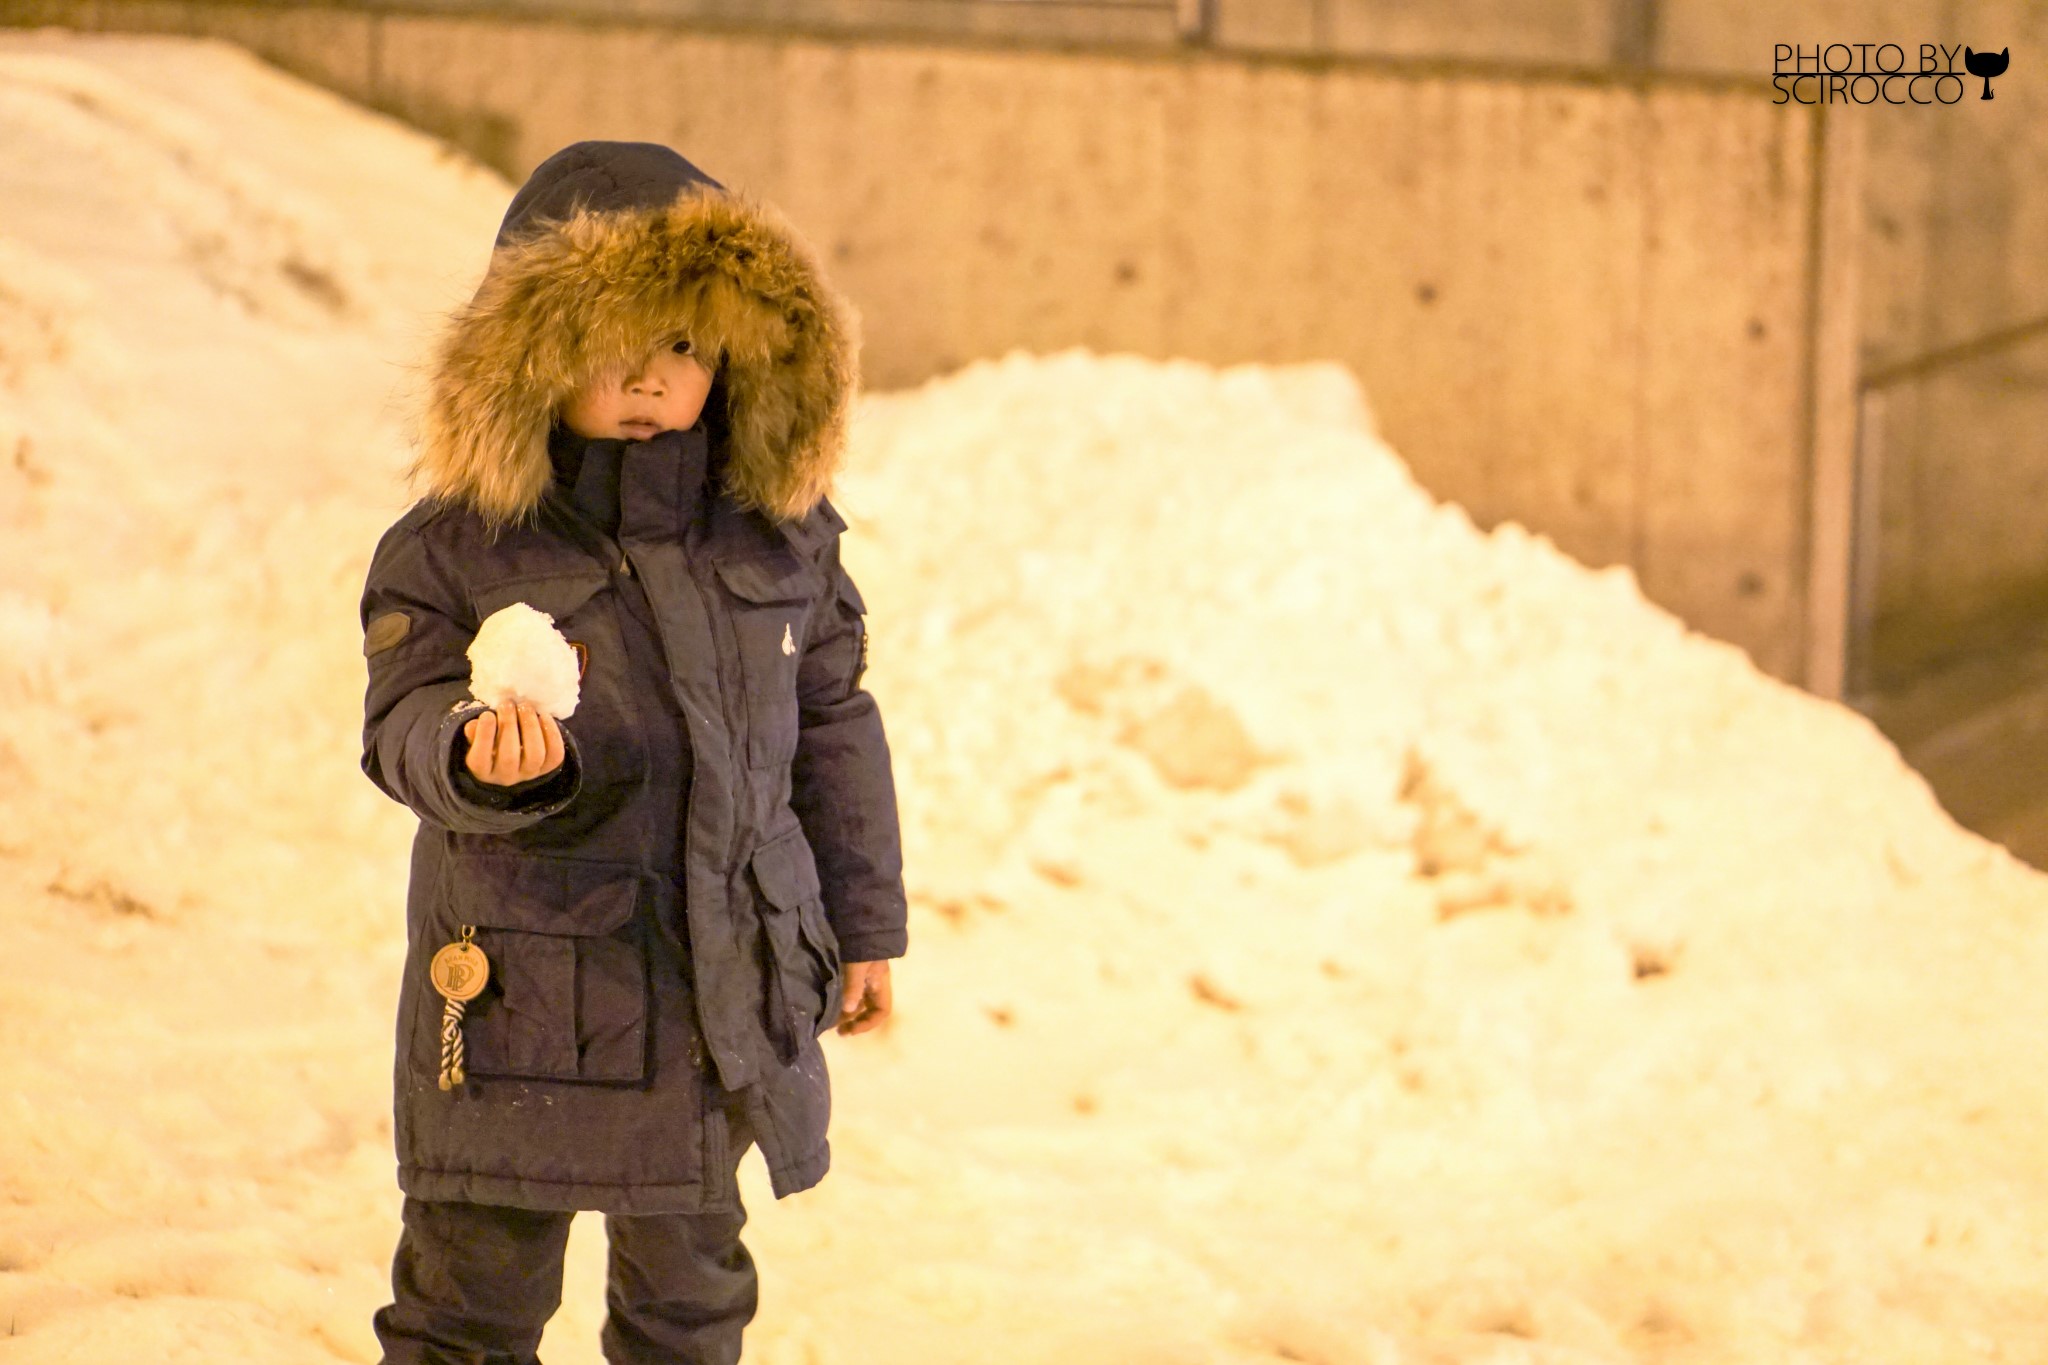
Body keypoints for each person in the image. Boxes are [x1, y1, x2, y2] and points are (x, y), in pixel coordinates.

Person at [356, 139, 908, 1364]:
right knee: (468, 1303)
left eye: (684, 347)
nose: (652, 380)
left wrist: (864, 925)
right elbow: (399, 719)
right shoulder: (458, 545)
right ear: (534, 353)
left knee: (691, 1304)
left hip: (712, 988)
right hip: (518, 1001)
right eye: (614, 345)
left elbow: (831, 723)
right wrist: (472, 759)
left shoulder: (775, 542)